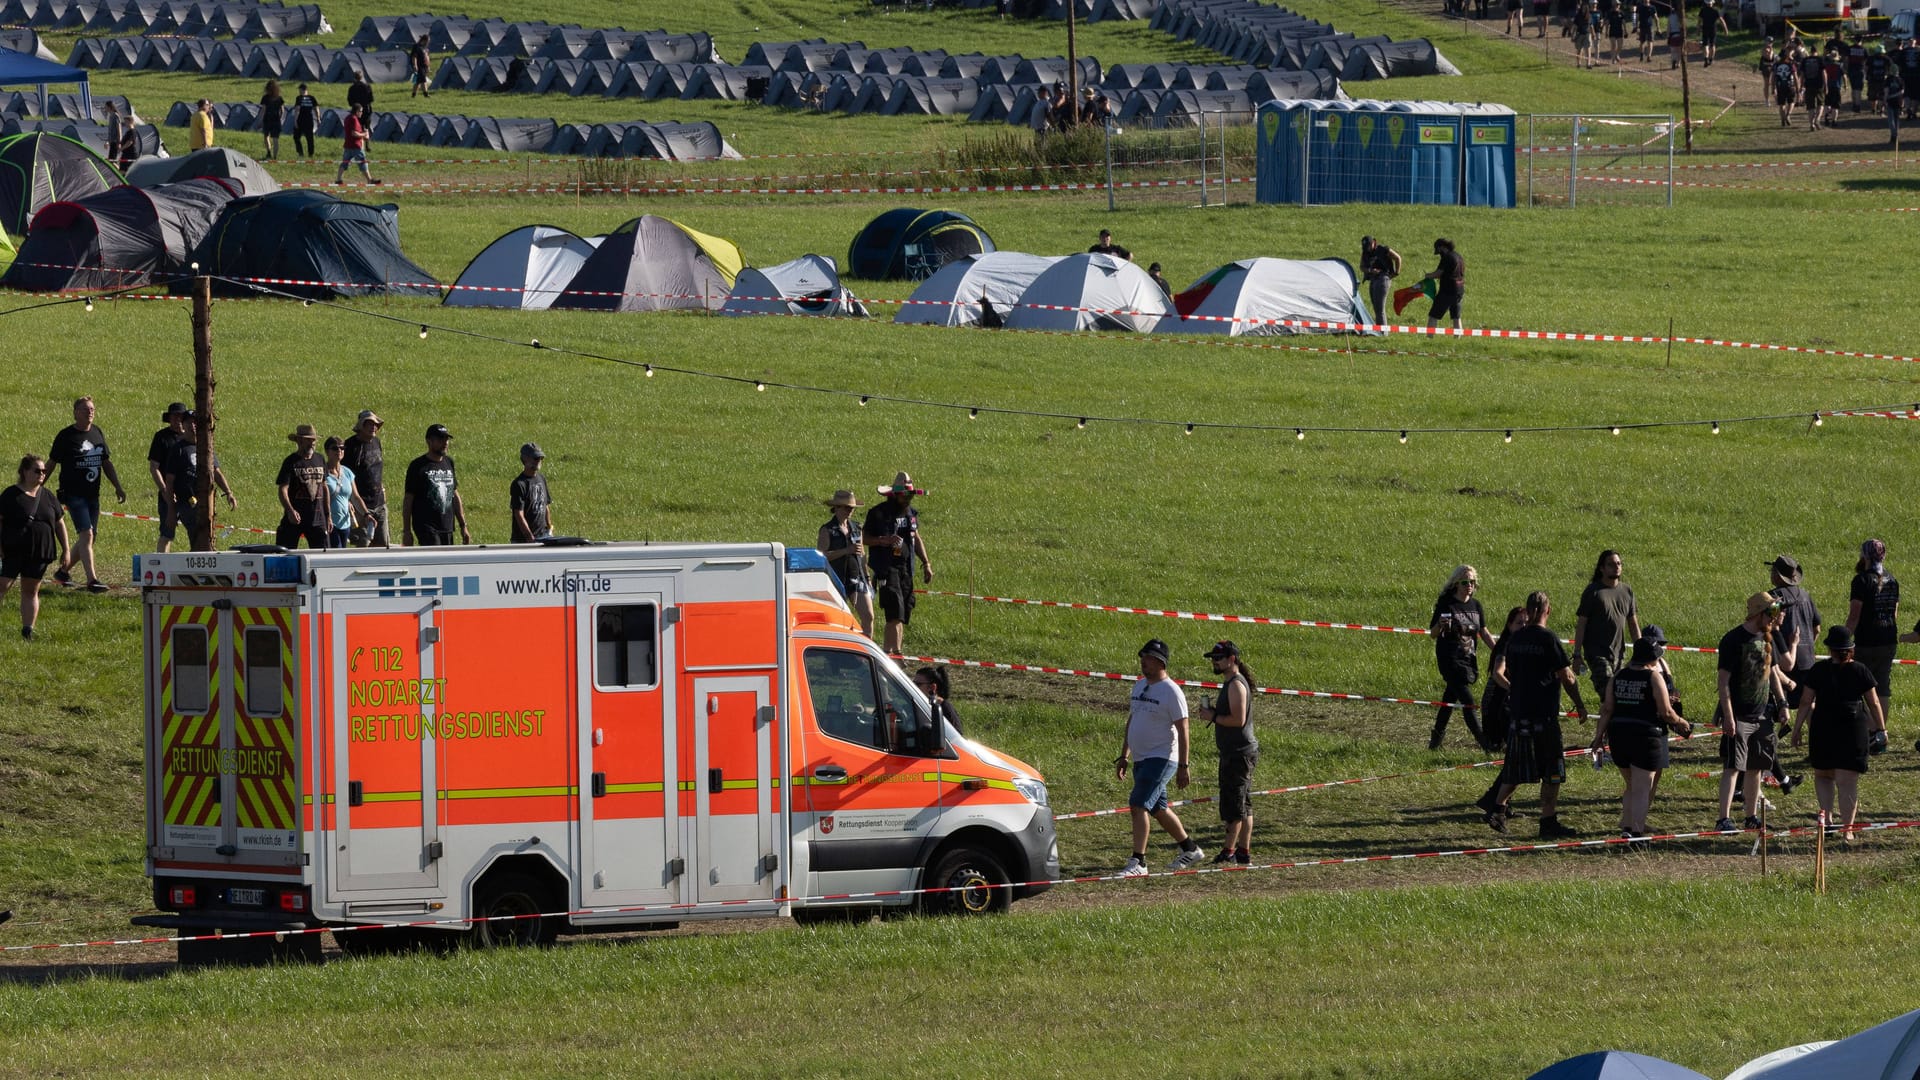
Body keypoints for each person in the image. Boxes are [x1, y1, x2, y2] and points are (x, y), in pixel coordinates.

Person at [1488, 591, 1589, 838]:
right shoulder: (1548, 639)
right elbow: (1567, 676)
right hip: (1543, 716)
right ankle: (1548, 820)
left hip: (1519, 713)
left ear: (1528, 609)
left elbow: (1511, 670)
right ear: (1548, 610)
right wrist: (1580, 704)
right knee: (1552, 770)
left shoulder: (1516, 639)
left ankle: (1498, 809)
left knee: (1517, 766)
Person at [1114, 639, 1207, 876]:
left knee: (1137, 805)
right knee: (1158, 808)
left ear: (1160, 661)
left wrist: (1184, 765)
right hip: (1141, 759)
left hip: (1162, 758)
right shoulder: (1139, 686)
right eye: (1142, 657)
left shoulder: (1171, 691)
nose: (1142, 661)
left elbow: (1184, 728)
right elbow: (1133, 720)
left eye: (1147, 657)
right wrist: (1124, 755)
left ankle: (1139, 862)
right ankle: (1190, 848)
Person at [1590, 635, 1690, 841]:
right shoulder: (1653, 677)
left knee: (1632, 786)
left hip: (1619, 736)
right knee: (1643, 788)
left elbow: (1607, 709)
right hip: (1646, 737)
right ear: (1651, 657)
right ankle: (1637, 832)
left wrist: (1598, 738)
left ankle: (1627, 826)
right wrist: (1682, 723)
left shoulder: (1618, 676)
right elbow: (1666, 712)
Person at [1792, 626, 1887, 843]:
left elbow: (1806, 701)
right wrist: (1881, 728)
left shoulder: (1818, 670)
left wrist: (1797, 729)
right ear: (1851, 649)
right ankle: (1848, 830)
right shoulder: (1860, 670)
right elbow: (1873, 702)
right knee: (1847, 781)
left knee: (1823, 775)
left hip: (1823, 726)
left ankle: (1827, 821)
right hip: (1852, 728)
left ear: (1830, 649)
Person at [1715, 593, 1786, 833]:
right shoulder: (1733, 640)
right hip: (1739, 715)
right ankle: (1723, 819)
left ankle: (1751, 816)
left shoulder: (1768, 638)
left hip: (1763, 715)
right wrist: (1728, 715)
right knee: (1733, 767)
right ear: (1758, 612)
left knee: (1756, 767)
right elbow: (1723, 681)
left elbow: (1773, 672)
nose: (1775, 619)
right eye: (1771, 613)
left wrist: (1782, 703)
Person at [48, 396, 125, 593]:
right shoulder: (66, 436)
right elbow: (52, 463)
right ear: (75, 413)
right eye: (85, 409)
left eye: (92, 409)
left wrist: (117, 485)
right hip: (74, 494)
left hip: (93, 494)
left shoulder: (97, 433)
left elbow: (106, 462)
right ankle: (92, 580)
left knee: (91, 537)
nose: (89, 412)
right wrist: (38, 485)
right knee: (86, 533)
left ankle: (63, 572)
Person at [1197, 640, 1257, 866]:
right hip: (1239, 752)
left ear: (1231, 659)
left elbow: (1238, 720)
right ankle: (1243, 852)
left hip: (1238, 753)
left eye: (1218, 658)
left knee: (1233, 805)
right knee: (1244, 805)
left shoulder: (1235, 685)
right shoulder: (1232, 682)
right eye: (1213, 658)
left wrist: (1212, 716)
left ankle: (1229, 851)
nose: (1214, 662)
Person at [863, 471, 933, 655]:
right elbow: (863, 538)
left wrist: (926, 563)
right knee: (893, 613)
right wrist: (881, 541)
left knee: (903, 613)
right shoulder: (877, 513)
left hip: (906, 569)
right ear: (894, 494)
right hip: (886, 568)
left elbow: (915, 537)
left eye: (910, 495)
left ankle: (897, 652)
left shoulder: (911, 514)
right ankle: (891, 655)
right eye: (905, 495)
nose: (908, 499)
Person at [1429, 565, 1497, 750]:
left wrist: (1498, 650)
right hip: (1449, 659)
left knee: (1449, 699)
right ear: (1457, 584)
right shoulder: (1447, 604)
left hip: (1468, 659)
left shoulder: (1476, 606)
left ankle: (1435, 741)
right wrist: (1440, 626)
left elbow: (1483, 631)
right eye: (1465, 582)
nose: (1469, 585)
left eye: (1472, 582)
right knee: (1469, 703)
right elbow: (1432, 633)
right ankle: (1484, 743)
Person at [1, 456, 69, 640]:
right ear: (24, 472)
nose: (42, 474)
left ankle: (27, 630)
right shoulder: (10, 495)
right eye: (37, 471)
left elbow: (59, 523)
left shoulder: (48, 496)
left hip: (39, 551)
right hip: (12, 550)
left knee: (31, 591)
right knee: (2, 586)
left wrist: (66, 549)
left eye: (44, 471)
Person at [1474, 605, 1530, 823]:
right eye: (1519, 623)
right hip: (1500, 705)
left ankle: (1501, 803)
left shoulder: (1517, 644)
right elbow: (1498, 674)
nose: (1523, 626)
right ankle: (1493, 800)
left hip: (1504, 702)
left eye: (1526, 622)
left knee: (1513, 757)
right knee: (1515, 756)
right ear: (1509, 625)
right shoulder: (1507, 645)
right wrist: (1515, 690)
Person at [159, 410, 235, 551]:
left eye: (196, 422)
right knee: (198, 538)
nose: (193, 425)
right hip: (188, 504)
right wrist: (171, 509)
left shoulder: (205, 447)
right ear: (184, 425)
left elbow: (216, 472)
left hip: (207, 502)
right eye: (189, 422)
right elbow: (169, 481)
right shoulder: (178, 449)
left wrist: (228, 492)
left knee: (204, 540)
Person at [1572, 549, 1640, 701]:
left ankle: (1610, 724)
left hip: (1619, 654)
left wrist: (1641, 651)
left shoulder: (1626, 591)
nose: (1616, 567)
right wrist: (1577, 654)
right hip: (1597, 654)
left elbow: (1633, 624)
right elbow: (1581, 624)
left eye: (1618, 563)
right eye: (1611, 564)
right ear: (1602, 568)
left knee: (1620, 698)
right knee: (1610, 695)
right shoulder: (1593, 592)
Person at [1846, 539, 1899, 726]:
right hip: (1889, 639)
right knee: (1882, 687)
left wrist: (1844, 638)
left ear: (1865, 555)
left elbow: (1854, 616)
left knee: (1863, 685)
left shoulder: (1861, 580)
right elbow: (1894, 614)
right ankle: (1880, 732)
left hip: (1867, 641)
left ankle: (1866, 730)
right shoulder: (1892, 580)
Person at [817, 489, 873, 637]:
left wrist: (867, 578)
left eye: (852, 508)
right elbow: (821, 557)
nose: (849, 511)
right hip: (836, 579)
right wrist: (845, 550)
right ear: (836, 508)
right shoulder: (827, 530)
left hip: (857, 577)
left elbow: (862, 555)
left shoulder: (857, 528)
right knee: (839, 620)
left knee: (869, 616)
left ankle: (867, 653)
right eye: (846, 507)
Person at [402, 423, 468, 546]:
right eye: (440, 439)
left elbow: (454, 493)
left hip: (447, 526)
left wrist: (463, 525)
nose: (445, 443)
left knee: (447, 563)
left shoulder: (449, 463)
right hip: (426, 527)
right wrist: (406, 531)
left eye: (446, 439)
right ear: (429, 441)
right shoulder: (418, 466)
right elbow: (408, 499)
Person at [274, 423, 330, 549]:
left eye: (314, 440)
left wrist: (328, 515)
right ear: (299, 441)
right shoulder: (291, 461)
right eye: (308, 440)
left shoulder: (320, 459)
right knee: (285, 553)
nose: (312, 443)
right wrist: (290, 510)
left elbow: (324, 487)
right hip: (295, 518)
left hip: (318, 518)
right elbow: (283, 489)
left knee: (322, 555)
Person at [342, 410, 387, 547]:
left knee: (383, 545)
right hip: (361, 505)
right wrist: (351, 501)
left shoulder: (376, 442)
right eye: (369, 424)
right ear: (361, 426)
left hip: (379, 503)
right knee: (364, 545)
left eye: (375, 424)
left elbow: (376, 469)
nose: (373, 427)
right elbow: (344, 475)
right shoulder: (349, 446)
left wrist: (383, 489)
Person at [147, 402, 187, 553]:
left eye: (181, 416)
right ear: (169, 418)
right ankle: (162, 566)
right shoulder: (161, 437)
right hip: (168, 493)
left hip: (189, 493)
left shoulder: (191, 438)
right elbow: (154, 467)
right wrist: (164, 490)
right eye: (174, 416)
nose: (177, 419)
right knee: (167, 533)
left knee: (196, 532)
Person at [321, 435, 368, 549]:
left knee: (342, 552)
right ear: (327, 451)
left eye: (342, 448)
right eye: (335, 448)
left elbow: (355, 497)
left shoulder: (347, 472)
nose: (339, 451)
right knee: (336, 552)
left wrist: (367, 514)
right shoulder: (322, 472)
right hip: (330, 522)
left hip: (345, 522)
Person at [508, 442, 553, 542]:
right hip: (523, 540)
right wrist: (529, 537)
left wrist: (549, 527)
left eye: (541, 458)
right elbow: (518, 514)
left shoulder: (542, 479)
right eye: (535, 458)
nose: (538, 461)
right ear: (525, 459)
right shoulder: (519, 484)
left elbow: (545, 505)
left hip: (543, 535)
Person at [1421, 238, 1464, 330]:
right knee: (1456, 317)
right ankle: (1458, 339)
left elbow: (1438, 273)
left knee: (1433, 315)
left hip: (1447, 291)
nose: (1439, 253)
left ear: (1443, 247)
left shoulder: (1447, 257)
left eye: (1439, 250)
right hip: (1459, 290)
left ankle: (1429, 338)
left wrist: (1428, 276)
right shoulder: (1458, 256)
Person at [334, 103, 379, 186]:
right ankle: (370, 180)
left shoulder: (348, 118)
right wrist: (364, 135)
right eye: (361, 111)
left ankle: (338, 179)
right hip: (356, 146)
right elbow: (354, 133)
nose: (362, 113)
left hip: (348, 145)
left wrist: (362, 133)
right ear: (357, 111)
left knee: (345, 163)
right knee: (363, 162)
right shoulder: (354, 119)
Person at [1360, 236, 1400, 327]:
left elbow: (1398, 258)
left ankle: (1382, 332)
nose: (1368, 249)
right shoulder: (1365, 252)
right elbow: (1362, 267)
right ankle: (1379, 330)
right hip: (1373, 279)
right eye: (1366, 247)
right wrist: (1370, 271)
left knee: (1379, 309)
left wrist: (1396, 272)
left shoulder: (1383, 249)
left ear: (1374, 242)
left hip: (1383, 279)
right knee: (1376, 308)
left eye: (1369, 246)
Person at [913, 666, 962, 735]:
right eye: (913, 683)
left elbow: (956, 736)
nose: (913, 687)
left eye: (918, 684)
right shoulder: (917, 705)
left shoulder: (945, 708)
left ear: (932, 687)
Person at [1801, 48, 1827, 131]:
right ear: (1817, 52)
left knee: (1810, 106)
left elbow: (1802, 75)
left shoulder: (1805, 60)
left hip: (1808, 85)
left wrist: (1801, 85)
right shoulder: (1820, 59)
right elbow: (1824, 73)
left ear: (1810, 52)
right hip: (1819, 85)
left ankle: (1811, 124)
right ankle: (1817, 120)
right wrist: (1826, 85)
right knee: (1821, 103)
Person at [1772, 51, 1800, 128]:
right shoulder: (1791, 64)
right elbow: (1795, 77)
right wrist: (1798, 88)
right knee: (1791, 102)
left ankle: (1782, 119)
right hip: (1790, 86)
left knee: (1781, 104)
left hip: (1780, 86)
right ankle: (1788, 115)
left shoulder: (1776, 65)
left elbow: (1773, 77)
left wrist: (1773, 87)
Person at [102, 99, 132, 170]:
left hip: (115, 142)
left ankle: (120, 173)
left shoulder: (116, 116)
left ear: (110, 107)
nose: (105, 109)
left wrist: (119, 142)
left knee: (111, 161)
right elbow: (110, 132)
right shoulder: (111, 116)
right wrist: (107, 142)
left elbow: (119, 130)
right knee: (111, 161)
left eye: (106, 107)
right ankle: (118, 172)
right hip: (112, 141)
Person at [291, 82, 318, 158]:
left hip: (301, 119)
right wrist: (318, 119)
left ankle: (300, 153)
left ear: (303, 90)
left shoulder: (299, 98)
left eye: (300, 90)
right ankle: (311, 154)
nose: (299, 91)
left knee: (296, 137)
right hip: (309, 119)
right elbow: (316, 109)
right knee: (310, 138)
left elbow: (297, 109)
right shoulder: (312, 98)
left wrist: (295, 120)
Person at [259, 79, 284, 160]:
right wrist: (279, 118)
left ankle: (269, 152)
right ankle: (275, 157)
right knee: (275, 139)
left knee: (266, 136)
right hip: (276, 120)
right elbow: (282, 110)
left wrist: (261, 120)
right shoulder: (279, 98)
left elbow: (263, 110)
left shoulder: (265, 98)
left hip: (267, 120)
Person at [1697, 0, 1725, 66]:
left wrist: (1698, 30)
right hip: (1713, 30)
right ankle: (1711, 59)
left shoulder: (1703, 10)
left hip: (1705, 29)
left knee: (1705, 45)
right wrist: (1725, 30)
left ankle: (1706, 58)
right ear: (1712, 3)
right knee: (1712, 45)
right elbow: (1721, 21)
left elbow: (1699, 21)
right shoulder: (1715, 11)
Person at [409, 34, 433, 99]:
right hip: (419, 67)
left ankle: (413, 95)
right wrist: (415, 65)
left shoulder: (426, 48)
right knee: (423, 80)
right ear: (424, 40)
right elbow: (414, 57)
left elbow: (427, 57)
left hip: (425, 67)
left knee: (418, 82)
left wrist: (428, 66)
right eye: (427, 41)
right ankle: (426, 94)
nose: (428, 42)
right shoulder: (417, 47)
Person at [1886, 70, 1906, 145]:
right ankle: (1895, 134)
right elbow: (1902, 92)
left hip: (1891, 102)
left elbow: (1886, 91)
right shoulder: (1900, 80)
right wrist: (1902, 104)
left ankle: (1894, 135)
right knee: (1896, 120)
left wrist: (1886, 99)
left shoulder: (1888, 80)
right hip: (1898, 102)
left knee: (1891, 120)